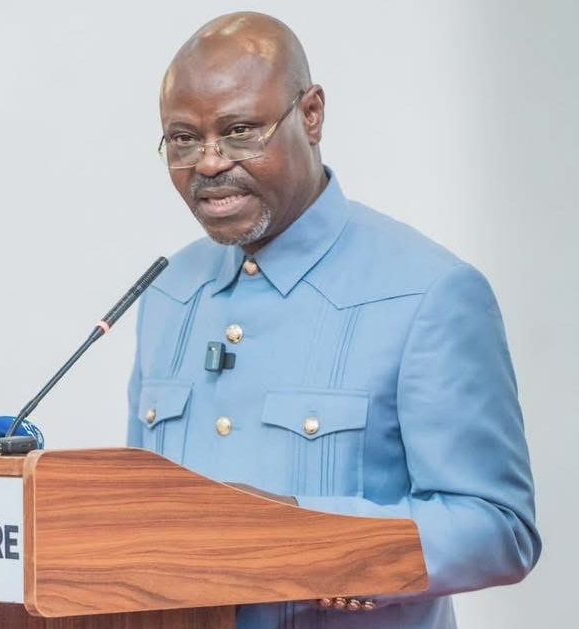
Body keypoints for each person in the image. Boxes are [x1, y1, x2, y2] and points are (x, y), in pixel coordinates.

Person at [126, 11, 540, 629]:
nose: (208, 163)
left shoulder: (429, 292)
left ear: (312, 114)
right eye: (183, 139)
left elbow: (499, 529)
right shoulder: (168, 292)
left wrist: (302, 538)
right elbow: (135, 513)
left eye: (240, 131)